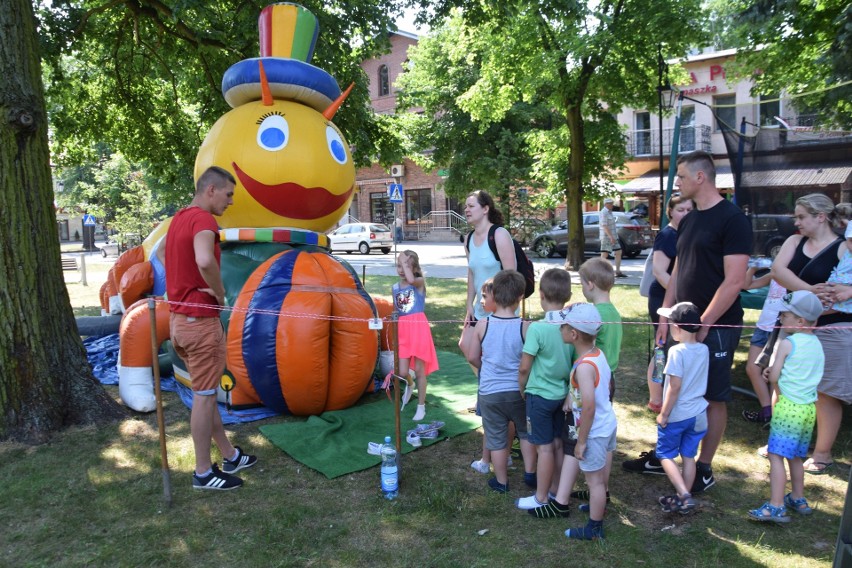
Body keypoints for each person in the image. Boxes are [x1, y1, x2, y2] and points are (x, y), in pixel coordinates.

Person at [624, 150, 752, 494]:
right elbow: (679, 270)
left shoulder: (733, 219)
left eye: (680, 176)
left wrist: (705, 323)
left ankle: (704, 468)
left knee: (712, 397)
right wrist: (666, 314)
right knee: (675, 391)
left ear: (700, 177)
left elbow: (734, 280)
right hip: (683, 323)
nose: (675, 183)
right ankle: (670, 455)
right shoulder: (690, 219)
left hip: (718, 326)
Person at [166, 166, 257, 490]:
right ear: (211, 191)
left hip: (179, 322)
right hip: (199, 322)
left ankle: (230, 454)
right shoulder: (204, 220)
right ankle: (203, 473)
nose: (230, 201)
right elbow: (205, 261)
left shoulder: (179, 218)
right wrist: (219, 293)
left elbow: (169, 255)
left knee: (203, 390)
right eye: (228, 194)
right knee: (205, 397)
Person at [770, 193, 850, 474]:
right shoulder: (794, 241)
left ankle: (822, 453)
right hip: (793, 324)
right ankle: (784, 443)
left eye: (802, 216)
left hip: (832, 327)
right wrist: (810, 290)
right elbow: (778, 270)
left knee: (825, 391)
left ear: (821, 217)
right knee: (783, 383)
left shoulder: (843, 248)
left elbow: (841, 293)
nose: (797, 222)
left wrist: (820, 299)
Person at [748, 291, 825, 523]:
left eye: (786, 314)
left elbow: (773, 377)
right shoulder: (817, 344)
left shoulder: (788, 344)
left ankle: (776, 505)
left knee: (776, 455)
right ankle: (798, 498)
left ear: (800, 321)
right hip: (808, 408)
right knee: (797, 457)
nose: (781, 317)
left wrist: (770, 374)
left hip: (788, 408)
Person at [547, 303, 617, 541]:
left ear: (573, 334)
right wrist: (571, 396)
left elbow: (589, 406)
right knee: (598, 478)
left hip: (593, 432)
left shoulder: (584, 368)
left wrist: (581, 441)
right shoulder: (596, 355)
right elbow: (602, 389)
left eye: (563, 327)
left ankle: (595, 528)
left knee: (594, 482)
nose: (560, 330)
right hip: (607, 425)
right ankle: (598, 506)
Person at [460, 190, 518, 474]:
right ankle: (488, 385)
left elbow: (511, 277)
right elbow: (471, 273)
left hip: (500, 314)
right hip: (479, 310)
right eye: (466, 206)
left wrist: (496, 307)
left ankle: (500, 450)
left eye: (471, 205)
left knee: (495, 379)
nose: (466, 209)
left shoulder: (500, 235)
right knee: (466, 348)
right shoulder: (469, 238)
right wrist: (468, 305)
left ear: (485, 209)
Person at [466, 270, 535, 493]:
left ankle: (502, 481)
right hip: (519, 391)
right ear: (520, 297)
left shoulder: (483, 325)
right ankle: (530, 474)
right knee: (525, 432)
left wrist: (485, 368)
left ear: (494, 294)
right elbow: (530, 360)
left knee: (495, 436)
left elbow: (471, 356)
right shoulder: (526, 327)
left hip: (490, 393)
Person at [515, 268, 574, 510]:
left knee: (544, 448)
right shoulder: (572, 328)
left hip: (539, 396)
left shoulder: (537, 329)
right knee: (558, 444)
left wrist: (522, 388)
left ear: (540, 295)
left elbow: (524, 368)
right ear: (568, 296)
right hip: (561, 395)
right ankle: (555, 489)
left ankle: (541, 498)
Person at [654, 302, 708, 515]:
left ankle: (684, 494)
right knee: (688, 456)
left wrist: (664, 414)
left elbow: (674, 387)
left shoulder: (676, 352)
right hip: (699, 414)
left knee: (665, 454)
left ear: (677, 328)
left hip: (678, 415)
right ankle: (684, 500)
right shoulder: (703, 349)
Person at [646, 194, 694, 413]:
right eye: (681, 210)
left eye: (689, 210)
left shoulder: (689, 233)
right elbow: (659, 271)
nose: (685, 213)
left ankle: (670, 392)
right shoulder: (667, 235)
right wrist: (678, 297)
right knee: (661, 348)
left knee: (673, 347)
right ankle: (655, 398)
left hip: (679, 299)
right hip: (663, 298)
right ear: (671, 212)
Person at [392, 250, 439, 422]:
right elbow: (397, 310)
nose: (402, 269)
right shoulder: (395, 288)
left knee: (420, 371)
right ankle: (410, 385)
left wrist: (407, 266)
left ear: (415, 268)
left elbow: (411, 279)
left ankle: (421, 406)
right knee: (403, 371)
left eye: (406, 266)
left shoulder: (418, 283)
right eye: (399, 265)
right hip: (403, 332)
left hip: (418, 330)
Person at [740, 268, 786, 424]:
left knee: (774, 374)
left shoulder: (794, 275)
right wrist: (753, 267)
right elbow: (746, 285)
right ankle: (767, 411)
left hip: (779, 328)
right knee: (752, 368)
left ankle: (775, 416)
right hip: (763, 327)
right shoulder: (775, 274)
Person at [599, 198, 626, 278]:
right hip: (607, 237)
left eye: (612, 203)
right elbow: (604, 225)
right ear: (605, 204)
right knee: (605, 254)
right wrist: (610, 236)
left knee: (618, 252)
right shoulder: (604, 212)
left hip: (613, 236)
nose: (612, 205)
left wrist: (613, 236)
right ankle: (600, 272)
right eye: (610, 203)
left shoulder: (610, 212)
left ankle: (618, 271)